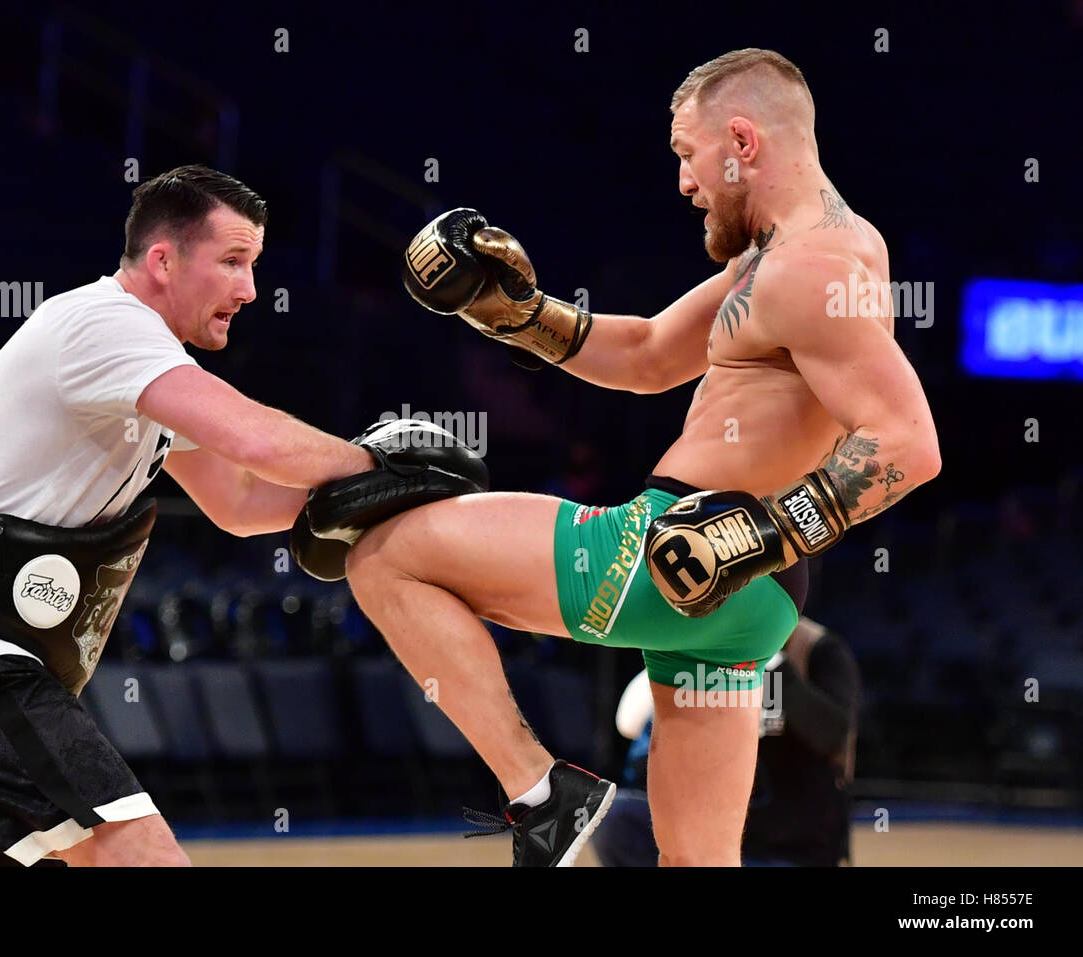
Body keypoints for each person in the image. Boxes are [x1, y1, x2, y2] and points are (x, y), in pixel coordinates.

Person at [344, 48, 941, 866]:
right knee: (696, 860)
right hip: (736, 590)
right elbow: (651, 353)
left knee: (385, 557)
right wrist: (513, 311)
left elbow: (908, 442)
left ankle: (541, 789)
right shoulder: (801, 254)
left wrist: (760, 531)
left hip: (670, 552)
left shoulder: (809, 267)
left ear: (743, 140)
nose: (686, 181)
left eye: (687, 154)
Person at [0, 165, 476, 866]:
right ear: (163, 260)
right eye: (233, 261)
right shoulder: (105, 325)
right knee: (147, 857)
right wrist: (378, 464)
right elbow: (254, 439)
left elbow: (241, 502)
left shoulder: (140, 364)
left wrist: (384, 499)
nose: (250, 289)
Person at [593, 617, 861, 866]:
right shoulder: (700, 648)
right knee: (617, 819)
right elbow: (631, 734)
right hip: (711, 839)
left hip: (791, 849)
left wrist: (773, 665)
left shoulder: (817, 649)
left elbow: (834, 736)